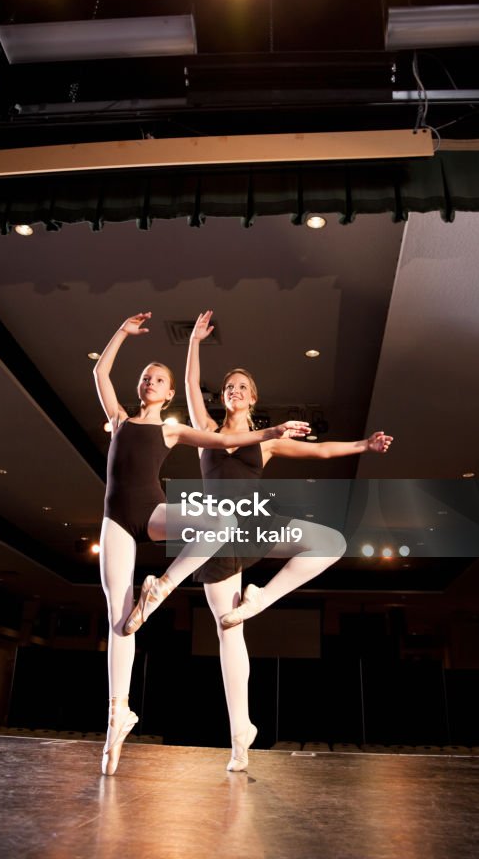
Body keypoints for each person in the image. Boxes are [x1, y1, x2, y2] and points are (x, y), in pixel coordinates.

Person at [128, 309, 394, 771]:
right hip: (213, 543)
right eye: (228, 387)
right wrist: (193, 342)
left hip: (253, 527)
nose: (233, 391)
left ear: (253, 398)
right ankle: (240, 738)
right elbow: (191, 387)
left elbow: (320, 450)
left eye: (241, 388)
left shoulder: (264, 442)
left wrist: (363, 446)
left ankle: (261, 598)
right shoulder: (206, 431)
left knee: (330, 541)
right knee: (229, 635)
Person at [94, 311, 309, 776]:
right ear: (139, 387)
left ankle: (164, 585)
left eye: (160, 379)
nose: (152, 381)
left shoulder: (173, 429)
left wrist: (271, 432)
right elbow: (98, 373)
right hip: (114, 520)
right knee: (121, 620)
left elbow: (228, 440)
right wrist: (121, 333)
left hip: (150, 512)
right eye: (147, 377)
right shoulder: (117, 418)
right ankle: (119, 713)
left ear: (170, 394)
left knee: (217, 522)